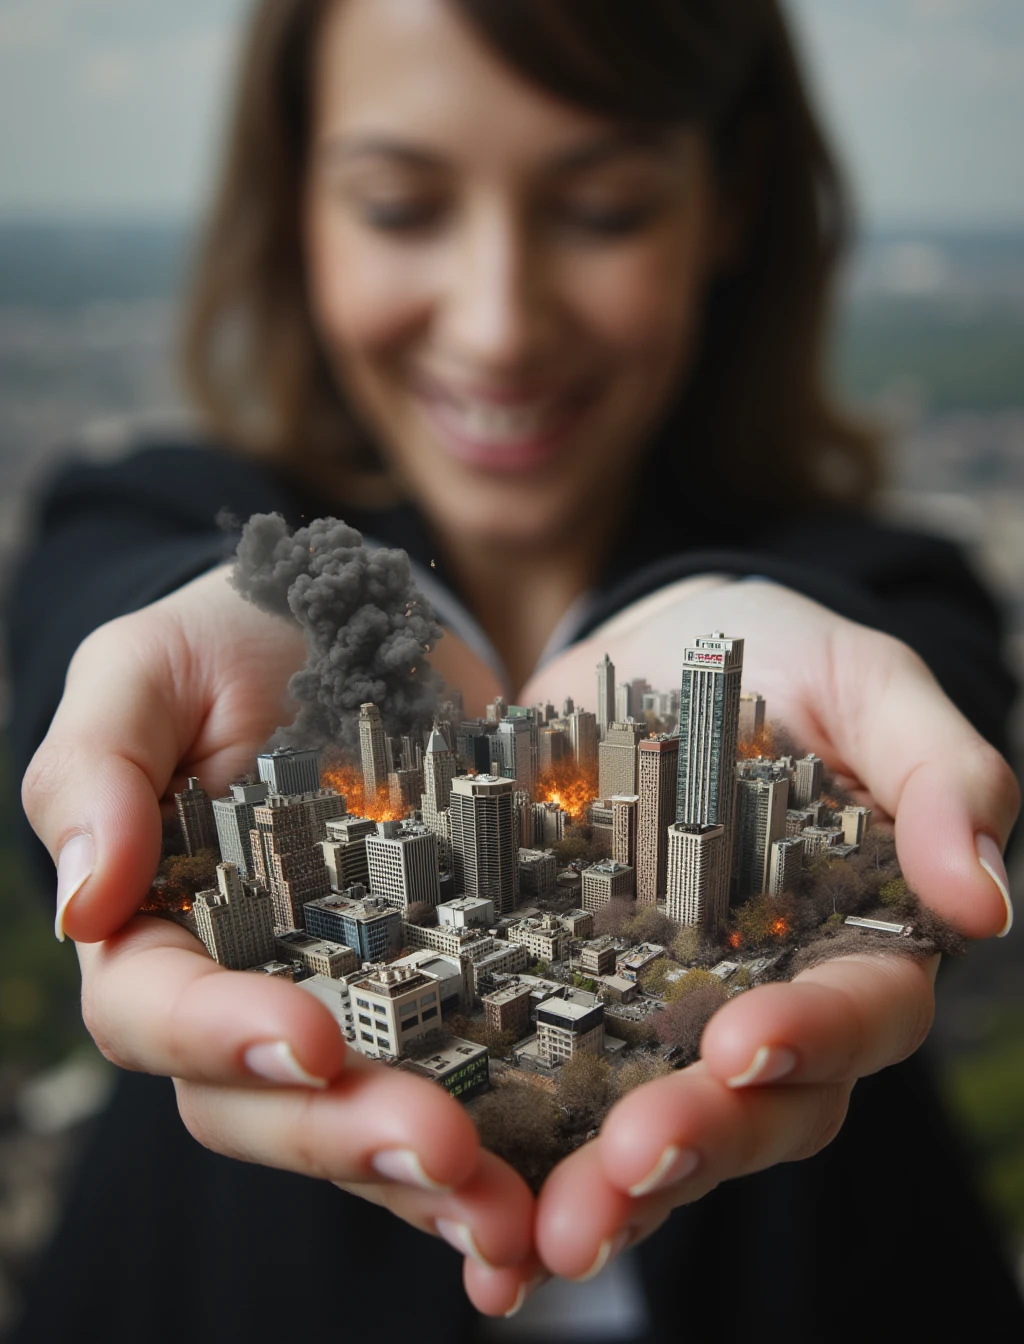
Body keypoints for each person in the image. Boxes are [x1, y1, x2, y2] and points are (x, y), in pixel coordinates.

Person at [8, 0, 1022, 1339]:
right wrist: (328, 628)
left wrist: (722, 628)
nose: (497, 326)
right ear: (295, 196)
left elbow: (904, 663)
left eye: (600, 209)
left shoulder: (894, 587)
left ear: (732, 200)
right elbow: (104, 615)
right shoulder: (137, 510)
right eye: (399, 204)